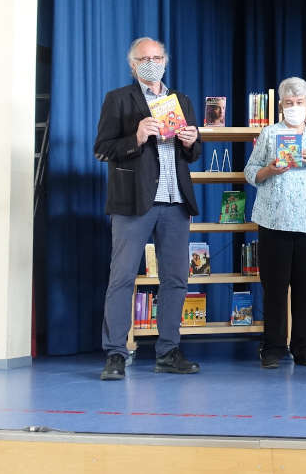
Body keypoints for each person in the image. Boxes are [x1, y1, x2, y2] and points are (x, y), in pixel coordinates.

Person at [94, 37, 202, 381]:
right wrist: (136, 138)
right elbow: (102, 149)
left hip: (175, 201)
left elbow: (194, 154)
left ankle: (168, 351)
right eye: (144, 58)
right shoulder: (118, 99)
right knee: (122, 278)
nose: (151, 62)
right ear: (133, 65)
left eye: (157, 57)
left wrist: (192, 141)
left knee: (175, 280)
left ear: (166, 61)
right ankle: (115, 353)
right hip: (133, 203)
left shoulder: (180, 100)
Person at [244, 77, 306, 368]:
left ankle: (303, 346)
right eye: (289, 103)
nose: (295, 107)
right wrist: (269, 169)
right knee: (274, 287)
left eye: (299, 103)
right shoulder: (269, 134)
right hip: (273, 220)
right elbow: (250, 172)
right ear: (281, 106)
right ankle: (272, 347)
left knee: (304, 287)